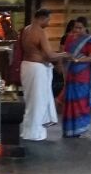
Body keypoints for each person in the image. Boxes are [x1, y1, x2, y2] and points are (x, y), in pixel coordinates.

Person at [19, 8, 69, 141]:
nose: (49, 22)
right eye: (48, 19)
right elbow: (50, 55)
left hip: (26, 66)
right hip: (36, 68)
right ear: (42, 18)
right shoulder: (40, 32)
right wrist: (65, 55)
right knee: (38, 101)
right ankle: (35, 133)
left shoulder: (26, 30)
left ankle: (28, 131)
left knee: (31, 101)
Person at [59, 18, 91, 138]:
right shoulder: (69, 38)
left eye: (80, 28)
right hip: (71, 73)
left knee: (81, 102)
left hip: (82, 75)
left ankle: (79, 128)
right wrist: (65, 60)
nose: (77, 30)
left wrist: (77, 59)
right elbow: (65, 53)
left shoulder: (89, 40)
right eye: (75, 27)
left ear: (85, 28)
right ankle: (69, 129)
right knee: (70, 101)